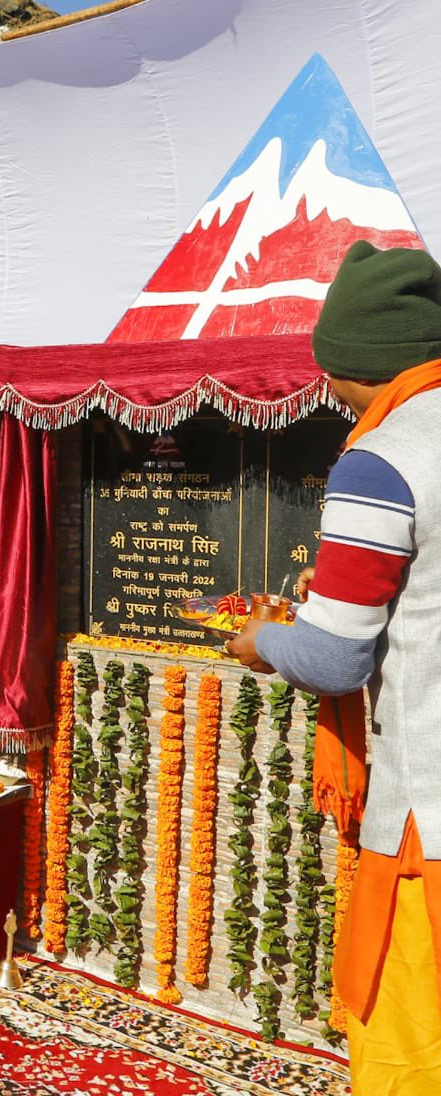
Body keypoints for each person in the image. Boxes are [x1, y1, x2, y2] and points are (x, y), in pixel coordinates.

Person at [227, 241, 441, 1092]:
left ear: (347, 365)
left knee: (411, 1047)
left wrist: (264, 640)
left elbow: (331, 656)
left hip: (429, 810)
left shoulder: (383, 458)